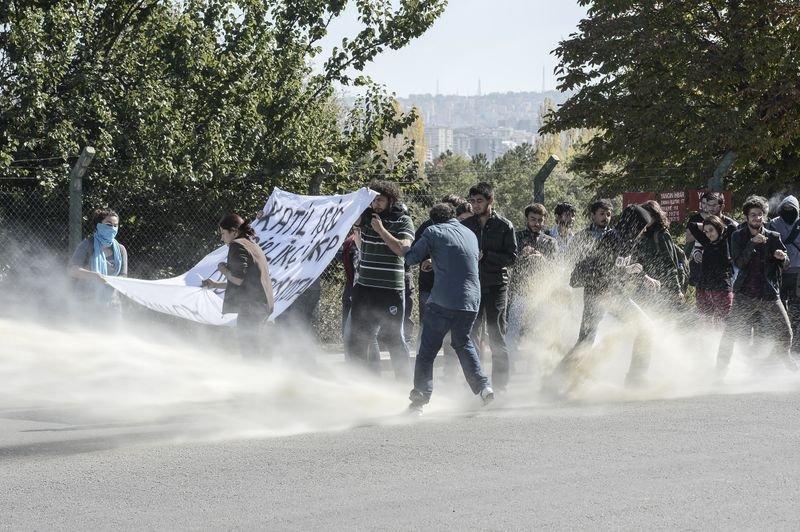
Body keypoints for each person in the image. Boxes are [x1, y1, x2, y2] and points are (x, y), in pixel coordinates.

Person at [372, 202, 494, 414]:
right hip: (471, 301)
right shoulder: (469, 233)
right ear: (453, 217)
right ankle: (484, 387)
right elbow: (459, 260)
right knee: (463, 343)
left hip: (444, 301)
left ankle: (420, 399)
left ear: (434, 219)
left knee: (427, 350)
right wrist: (434, 259)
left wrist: (382, 231)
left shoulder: (432, 230)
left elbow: (409, 257)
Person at [552, 204, 661, 388]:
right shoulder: (613, 238)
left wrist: (642, 276)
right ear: (633, 224)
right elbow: (605, 268)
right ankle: (555, 382)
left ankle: (636, 379)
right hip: (598, 294)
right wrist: (629, 271)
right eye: (642, 226)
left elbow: (619, 267)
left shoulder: (628, 240)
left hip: (612, 293)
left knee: (646, 329)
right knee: (586, 341)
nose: (643, 231)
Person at [716, 196, 796, 376]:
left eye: (760, 215)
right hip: (745, 294)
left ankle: (785, 356)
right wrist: (752, 243)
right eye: (753, 215)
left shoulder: (773, 236)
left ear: (764, 217)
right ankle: (720, 370)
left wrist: (782, 258)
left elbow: (787, 264)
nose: (757, 218)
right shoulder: (738, 236)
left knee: (786, 332)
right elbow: (739, 263)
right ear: (746, 217)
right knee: (730, 334)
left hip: (768, 294)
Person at [347, 180, 415, 380]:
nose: (376, 204)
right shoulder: (366, 218)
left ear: (390, 201)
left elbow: (403, 249)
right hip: (365, 288)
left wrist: (382, 231)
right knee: (359, 338)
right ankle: (362, 382)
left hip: (390, 290)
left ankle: (405, 384)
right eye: (373, 199)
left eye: (380, 200)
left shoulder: (403, 220)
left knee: (393, 337)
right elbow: (350, 217)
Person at [462, 182, 517, 392]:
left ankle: (501, 387)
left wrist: (488, 256)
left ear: (490, 201)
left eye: (480, 201)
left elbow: (512, 257)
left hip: (496, 286)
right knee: (470, 335)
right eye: (473, 201)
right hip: (472, 286)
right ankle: (476, 384)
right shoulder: (466, 225)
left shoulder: (505, 225)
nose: (475, 205)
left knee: (496, 336)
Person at [202, 213, 275, 358]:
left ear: (234, 231)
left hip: (252, 307)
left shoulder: (237, 245)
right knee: (254, 345)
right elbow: (246, 282)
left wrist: (223, 269)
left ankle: (256, 376)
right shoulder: (252, 244)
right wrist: (215, 284)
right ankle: (263, 373)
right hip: (263, 304)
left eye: (223, 233)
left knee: (249, 349)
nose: (222, 238)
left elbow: (237, 279)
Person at [508, 203, 557, 371]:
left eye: (540, 220)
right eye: (533, 219)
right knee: (513, 331)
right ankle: (508, 366)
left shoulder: (550, 241)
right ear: (526, 219)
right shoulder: (516, 237)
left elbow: (555, 268)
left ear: (545, 221)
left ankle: (534, 367)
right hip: (520, 293)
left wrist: (542, 259)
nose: (537, 223)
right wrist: (521, 256)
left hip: (541, 294)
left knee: (537, 331)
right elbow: (508, 262)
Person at [69, 208, 129, 309]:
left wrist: (112, 280)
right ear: (98, 225)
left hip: (112, 303)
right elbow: (72, 270)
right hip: (85, 302)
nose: (113, 228)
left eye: (115, 225)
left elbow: (123, 276)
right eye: (109, 224)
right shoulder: (87, 244)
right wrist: (94, 276)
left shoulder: (121, 249)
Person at [767, 195, 800, 356]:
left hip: (797, 274)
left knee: (795, 309)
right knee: (779, 310)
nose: (788, 213)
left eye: (791, 210)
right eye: (785, 210)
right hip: (778, 273)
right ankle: (781, 343)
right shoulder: (772, 224)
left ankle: (793, 344)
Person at [635, 200, 684, 306]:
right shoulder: (642, 234)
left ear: (655, 216)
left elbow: (670, 264)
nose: (645, 219)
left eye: (648, 216)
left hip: (663, 284)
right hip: (645, 283)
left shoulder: (661, 234)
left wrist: (677, 290)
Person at [686, 215, 734, 322]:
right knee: (705, 321)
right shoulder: (706, 242)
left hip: (722, 288)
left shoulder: (726, 240)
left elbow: (732, 227)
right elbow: (692, 225)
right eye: (706, 231)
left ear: (718, 227)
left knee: (723, 320)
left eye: (711, 230)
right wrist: (705, 224)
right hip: (704, 287)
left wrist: (718, 223)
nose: (708, 234)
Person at [685, 191, 738, 286]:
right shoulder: (704, 224)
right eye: (709, 205)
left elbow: (735, 251)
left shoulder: (731, 225)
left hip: (726, 274)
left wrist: (717, 227)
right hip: (705, 272)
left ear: (722, 206)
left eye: (714, 205)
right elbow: (698, 244)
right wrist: (696, 253)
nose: (711, 208)